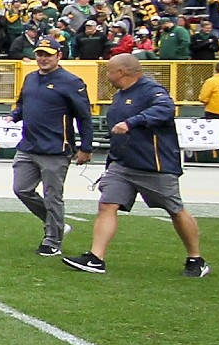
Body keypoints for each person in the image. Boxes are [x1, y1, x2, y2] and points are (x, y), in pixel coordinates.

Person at [64, 53, 210, 277]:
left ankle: (195, 258)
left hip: (154, 165)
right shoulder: (120, 96)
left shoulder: (151, 90)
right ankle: (96, 258)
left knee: (175, 210)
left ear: (121, 72)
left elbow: (165, 110)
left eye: (109, 71)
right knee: (107, 205)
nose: (107, 76)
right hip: (122, 165)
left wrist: (132, 122)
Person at [9, 38, 93, 256]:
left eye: (48, 54)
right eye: (40, 54)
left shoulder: (72, 82)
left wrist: (86, 147)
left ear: (59, 56)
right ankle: (55, 224)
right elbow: (22, 103)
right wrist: (14, 116)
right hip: (28, 146)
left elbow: (84, 116)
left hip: (56, 148)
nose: (43, 58)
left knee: (52, 195)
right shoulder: (30, 78)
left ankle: (53, 240)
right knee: (21, 189)